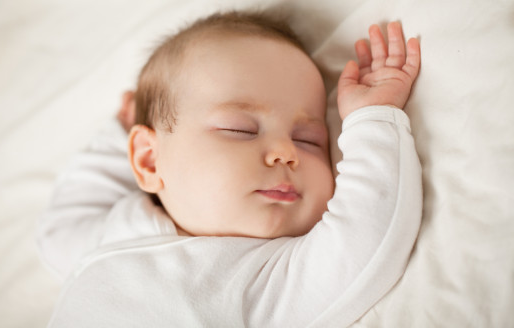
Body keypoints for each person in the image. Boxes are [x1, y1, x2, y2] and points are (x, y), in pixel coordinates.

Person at [37, 11, 422, 327]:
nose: (286, 153)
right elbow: (60, 230)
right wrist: (117, 135)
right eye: (241, 130)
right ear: (149, 160)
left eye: (309, 140)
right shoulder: (117, 231)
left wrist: (372, 120)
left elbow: (364, 238)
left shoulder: (270, 277)